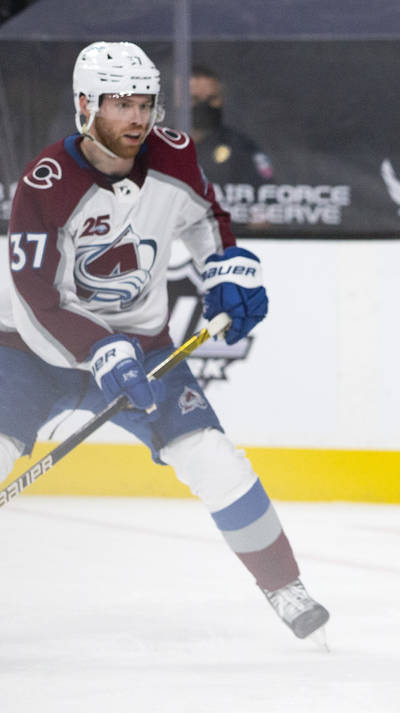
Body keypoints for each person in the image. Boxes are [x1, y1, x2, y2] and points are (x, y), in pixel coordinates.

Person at [0, 42, 328, 641]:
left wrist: (225, 270)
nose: (136, 117)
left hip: (144, 349)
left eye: (145, 102)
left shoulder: (173, 155)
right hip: (28, 350)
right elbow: (33, 296)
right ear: (84, 104)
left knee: (213, 458)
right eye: (120, 103)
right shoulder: (44, 183)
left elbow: (206, 218)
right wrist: (97, 348)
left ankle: (285, 586)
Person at [190, 64, 274, 190]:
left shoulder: (241, 148)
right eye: (195, 99)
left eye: (211, 98)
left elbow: (264, 196)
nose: (203, 106)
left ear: (221, 99)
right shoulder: (162, 145)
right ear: (178, 98)